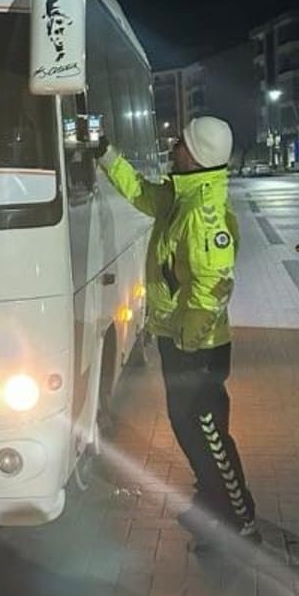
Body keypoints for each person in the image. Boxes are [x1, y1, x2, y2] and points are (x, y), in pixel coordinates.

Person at [100, 116, 258, 545]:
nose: (173, 146)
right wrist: (106, 154)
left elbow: (213, 288)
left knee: (208, 432)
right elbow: (141, 193)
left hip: (198, 347)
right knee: (187, 427)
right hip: (180, 339)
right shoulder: (179, 197)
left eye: (181, 143)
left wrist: (189, 344)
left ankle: (240, 518)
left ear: (198, 155)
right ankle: (211, 500)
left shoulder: (203, 214)